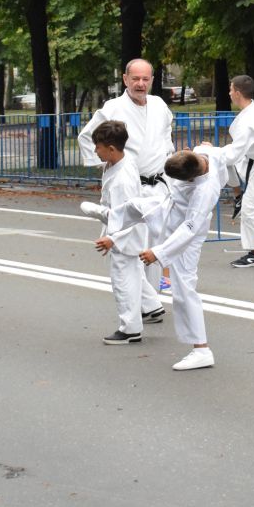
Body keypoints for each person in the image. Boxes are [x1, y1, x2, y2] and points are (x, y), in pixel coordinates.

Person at [78, 59, 172, 328]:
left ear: (152, 79)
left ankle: (150, 304)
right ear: (125, 79)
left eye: (145, 79)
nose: (140, 84)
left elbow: (167, 138)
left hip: (159, 187)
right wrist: (108, 164)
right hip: (130, 185)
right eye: (135, 79)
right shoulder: (113, 108)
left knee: (152, 248)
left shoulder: (159, 105)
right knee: (127, 248)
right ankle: (145, 305)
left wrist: (171, 166)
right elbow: (87, 137)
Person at [138, 144, 231, 370]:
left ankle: (201, 349)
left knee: (184, 290)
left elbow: (190, 229)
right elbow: (223, 156)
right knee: (135, 206)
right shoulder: (208, 153)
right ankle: (110, 216)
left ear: (191, 179)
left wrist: (159, 252)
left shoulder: (204, 192)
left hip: (186, 238)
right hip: (170, 213)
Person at [81, 120, 153, 346]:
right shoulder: (119, 162)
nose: (95, 151)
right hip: (123, 230)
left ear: (111, 149)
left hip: (125, 236)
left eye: (98, 147)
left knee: (123, 281)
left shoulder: (123, 181)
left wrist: (112, 239)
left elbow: (129, 215)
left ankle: (130, 329)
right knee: (133, 276)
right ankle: (151, 306)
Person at [222, 75, 254, 269]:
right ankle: (238, 197)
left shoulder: (248, 123)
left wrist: (210, 154)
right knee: (225, 162)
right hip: (251, 158)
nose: (229, 93)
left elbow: (232, 155)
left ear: (237, 93)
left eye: (230, 89)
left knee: (250, 208)